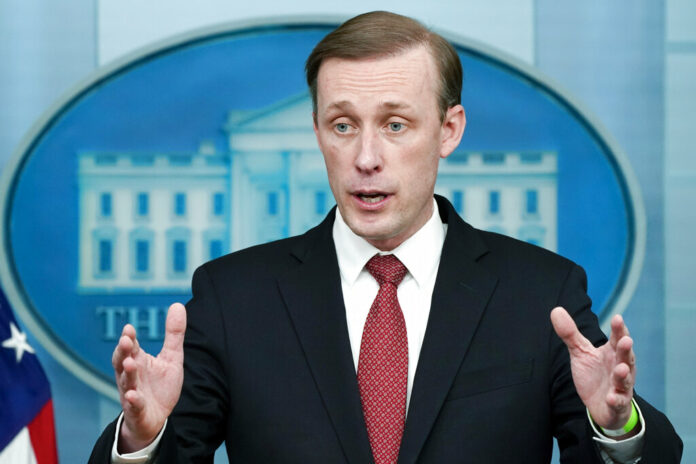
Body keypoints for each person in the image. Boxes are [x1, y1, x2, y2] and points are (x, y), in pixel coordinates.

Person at [89, 11, 682, 463]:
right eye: (342, 125)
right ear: (318, 131)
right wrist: (144, 438)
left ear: (449, 131)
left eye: (395, 125)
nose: (365, 158)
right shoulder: (234, 296)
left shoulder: (539, 292)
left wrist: (618, 424)